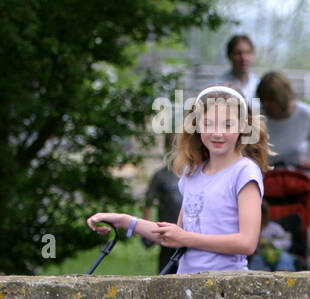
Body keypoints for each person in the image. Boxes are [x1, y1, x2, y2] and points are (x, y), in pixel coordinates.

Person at [87, 86, 269, 272]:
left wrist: (185, 238)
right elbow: (174, 235)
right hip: (187, 285)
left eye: (227, 125)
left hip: (226, 288)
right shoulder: (193, 172)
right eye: (208, 124)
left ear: (242, 126)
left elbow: (247, 243)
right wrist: (123, 221)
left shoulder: (244, 172)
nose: (217, 133)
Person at [255, 71, 310, 172]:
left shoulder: (305, 113)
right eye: (263, 100)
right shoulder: (256, 114)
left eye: (272, 100)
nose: (267, 105)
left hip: (298, 178)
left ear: (283, 98)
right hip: (266, 178)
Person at [142, 159, 182, 273]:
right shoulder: (161, 175)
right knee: (166, 269)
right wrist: (146, 227)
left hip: (189, 231)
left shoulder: (194, 172)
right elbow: (149, 201)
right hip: (167, 229)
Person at [249, 202, 296, 272]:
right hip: (261, 255)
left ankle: (284, 274)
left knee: (285, 258)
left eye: (264, 214)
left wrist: (274, 244)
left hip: (277, 253)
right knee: (256, 260)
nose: (262, 217)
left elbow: (287, 241)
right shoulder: (251, 229)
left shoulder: (275, 228)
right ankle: (262, 276)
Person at [218, 34, 260, 103]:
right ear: (229, 55)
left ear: (253, 55)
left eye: (248, 52)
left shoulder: (258, 85)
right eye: (238, 53)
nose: (244, 58)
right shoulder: (220, 87)